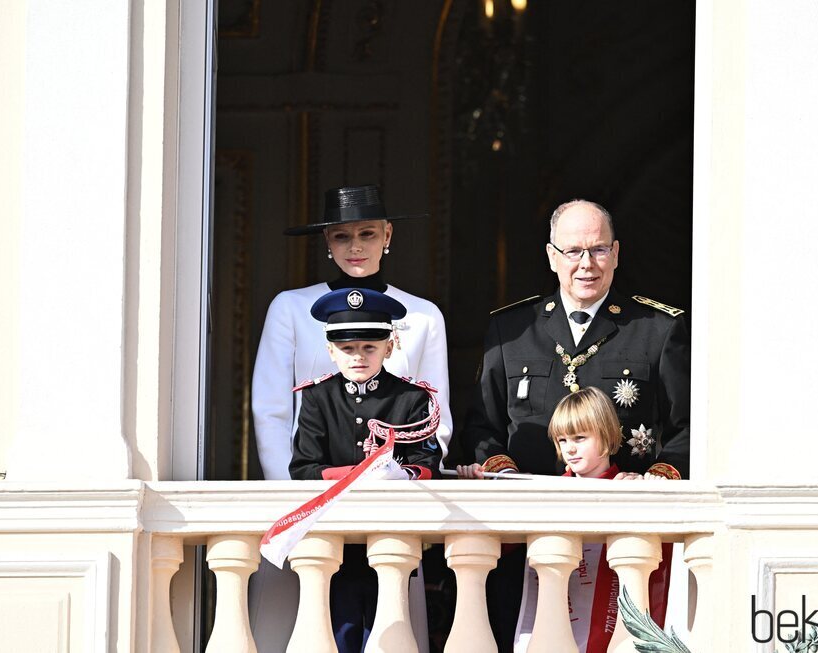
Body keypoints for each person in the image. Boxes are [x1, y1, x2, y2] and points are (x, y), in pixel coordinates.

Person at [459, 198, 690, 650]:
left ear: (617, 253)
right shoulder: (511, 329)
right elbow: (482, 425)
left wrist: (656, 478)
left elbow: (686, 428)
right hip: (526, 537)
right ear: (551, 256)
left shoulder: (657, 329)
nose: (587, 264)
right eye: (574, 252)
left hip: (619, 537)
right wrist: (500, 468)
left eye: (599, 250)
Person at [250, 185, 448, 651]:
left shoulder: (423, 316)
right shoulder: (290, 307)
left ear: (387, 235)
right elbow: (272, 411)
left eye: (366, 233)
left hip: (390, 508)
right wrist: (298, 508)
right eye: (341, 236)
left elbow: (437, 421)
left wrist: (403, 490)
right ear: (326, 242)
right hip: (309, 506)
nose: (355, 247)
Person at [291, 287, 441, 651]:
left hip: (390, 537)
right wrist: (359, 475)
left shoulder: (411, 398)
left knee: (389, 636)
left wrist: (399, 475)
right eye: (347, 348)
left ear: (389, 347)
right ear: (330, 350)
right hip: (335, 541)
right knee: (337, 636)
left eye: (369, 347)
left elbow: (427, 464)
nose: (358, 356)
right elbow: (304, 468)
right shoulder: (317, 397)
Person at [511, 387, 672, 652]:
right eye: (562, 440)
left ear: (607, 437)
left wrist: (647, 488)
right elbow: (503, 544)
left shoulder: (630, 486)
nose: (570, 448)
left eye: (580, 437)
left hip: (613, 630)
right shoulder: (545, 494)